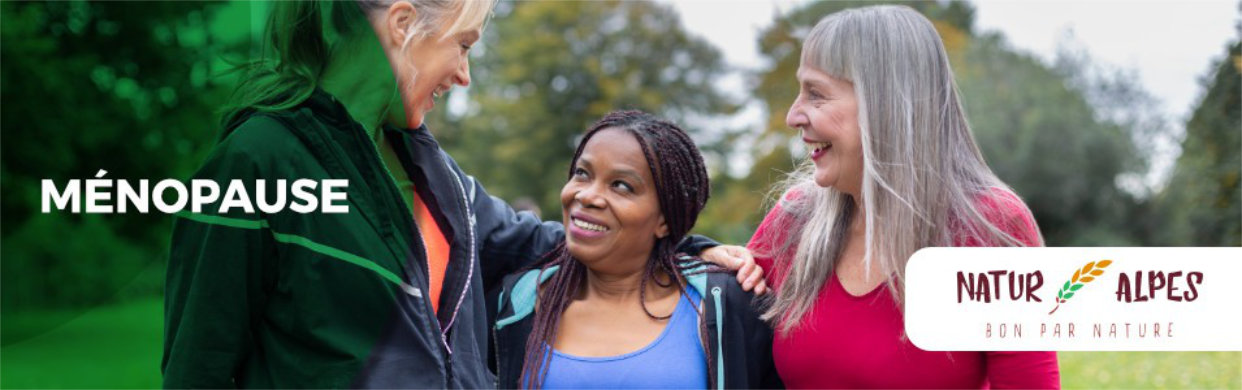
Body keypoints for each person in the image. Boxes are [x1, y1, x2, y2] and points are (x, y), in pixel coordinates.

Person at [161, 2, 753, 388]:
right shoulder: (256, 161)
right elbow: (198, 366)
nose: (464, 73)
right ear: (401, 26)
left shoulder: (437, 175)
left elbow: (549, 242)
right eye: (462, 45)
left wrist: (683, 243)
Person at [746, 5, 1060, 389]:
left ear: (885, 104)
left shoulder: (989, 225)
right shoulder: (793, 218)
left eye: (816, 94)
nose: (794, 116)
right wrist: (706, 257)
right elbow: (712, 335)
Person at [492, 111, 782, 389]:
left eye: (621, 186)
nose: (587, 196)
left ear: (665, 221)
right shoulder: (517, 303)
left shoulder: (727, 305)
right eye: (582, 173)